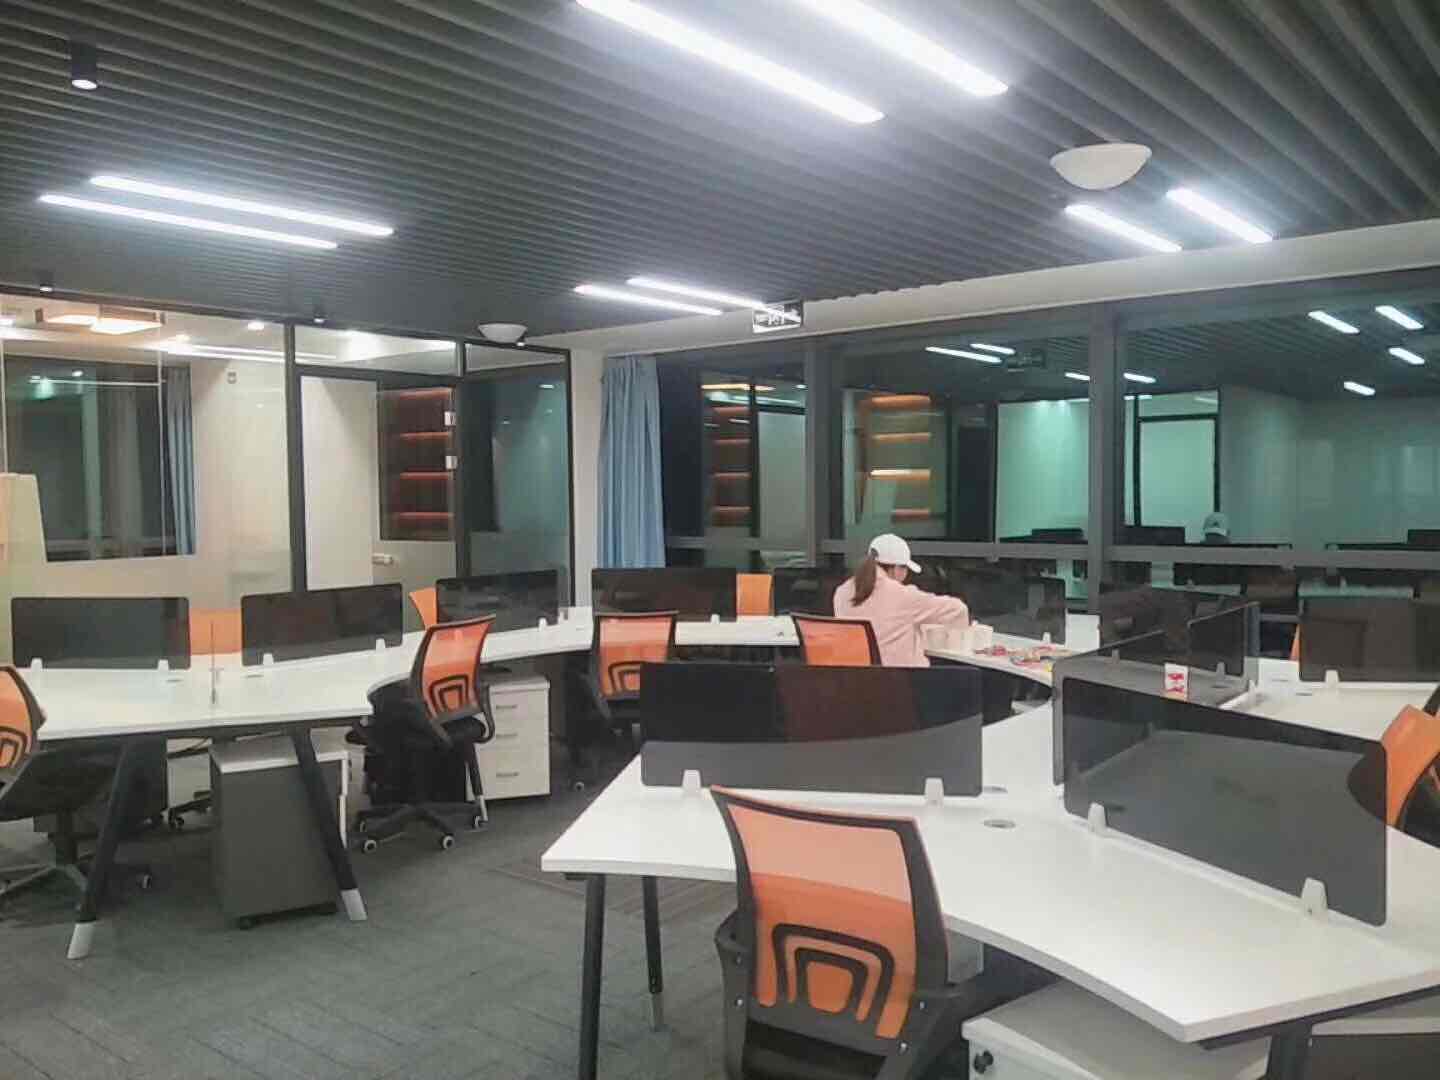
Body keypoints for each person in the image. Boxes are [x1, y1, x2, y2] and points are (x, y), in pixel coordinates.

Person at [833, 533, 970, 666]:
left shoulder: (841, 593)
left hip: (856, 677)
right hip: (903, 678)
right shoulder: (903, 596)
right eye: (906, 570)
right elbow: (958, 609)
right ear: (897, 568)